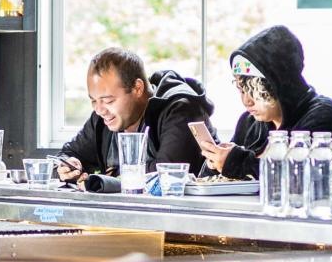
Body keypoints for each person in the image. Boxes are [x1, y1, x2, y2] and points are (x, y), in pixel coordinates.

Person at [200, 26, 332, 179]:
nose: (247, 101)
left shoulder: (324, 118)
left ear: (279, 84)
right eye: (241, 89)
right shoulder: (250, 124)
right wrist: (215, 164)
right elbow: (212, 183)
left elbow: (302, 179)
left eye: (256, 91)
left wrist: (237, 163)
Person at [55, 47, 214, 185]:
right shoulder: (103, 118)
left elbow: (166, 173)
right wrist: (67, 166)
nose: (99, 110)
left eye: (108, 100)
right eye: (93, 101)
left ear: (138, 88)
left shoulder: (181, 110)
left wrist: (107, 178)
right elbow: (69, 154)